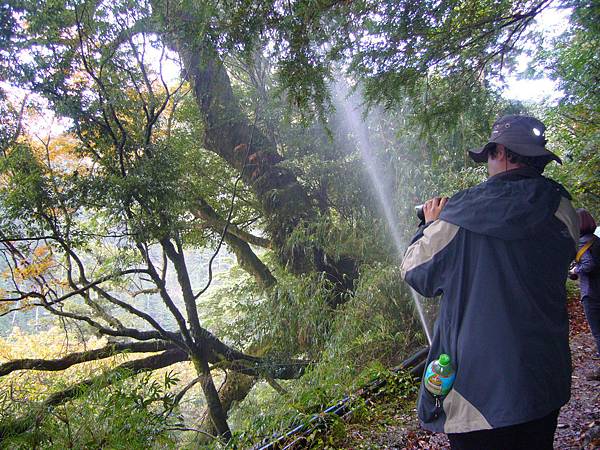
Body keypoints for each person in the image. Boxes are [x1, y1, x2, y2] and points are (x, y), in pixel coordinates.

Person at [401, 115, 579, 450]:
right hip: (543, 378)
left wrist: (430, 224)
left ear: (499, 152)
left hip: (478, 393)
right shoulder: (562, 209)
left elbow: (416, 271)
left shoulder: (460, 217)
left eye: (489, 155)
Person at [570, 208, 600, 379]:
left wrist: (576, 269)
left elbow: (588, 265)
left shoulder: (582, 242)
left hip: (591, 293)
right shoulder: (597, 240)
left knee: (597, 331)